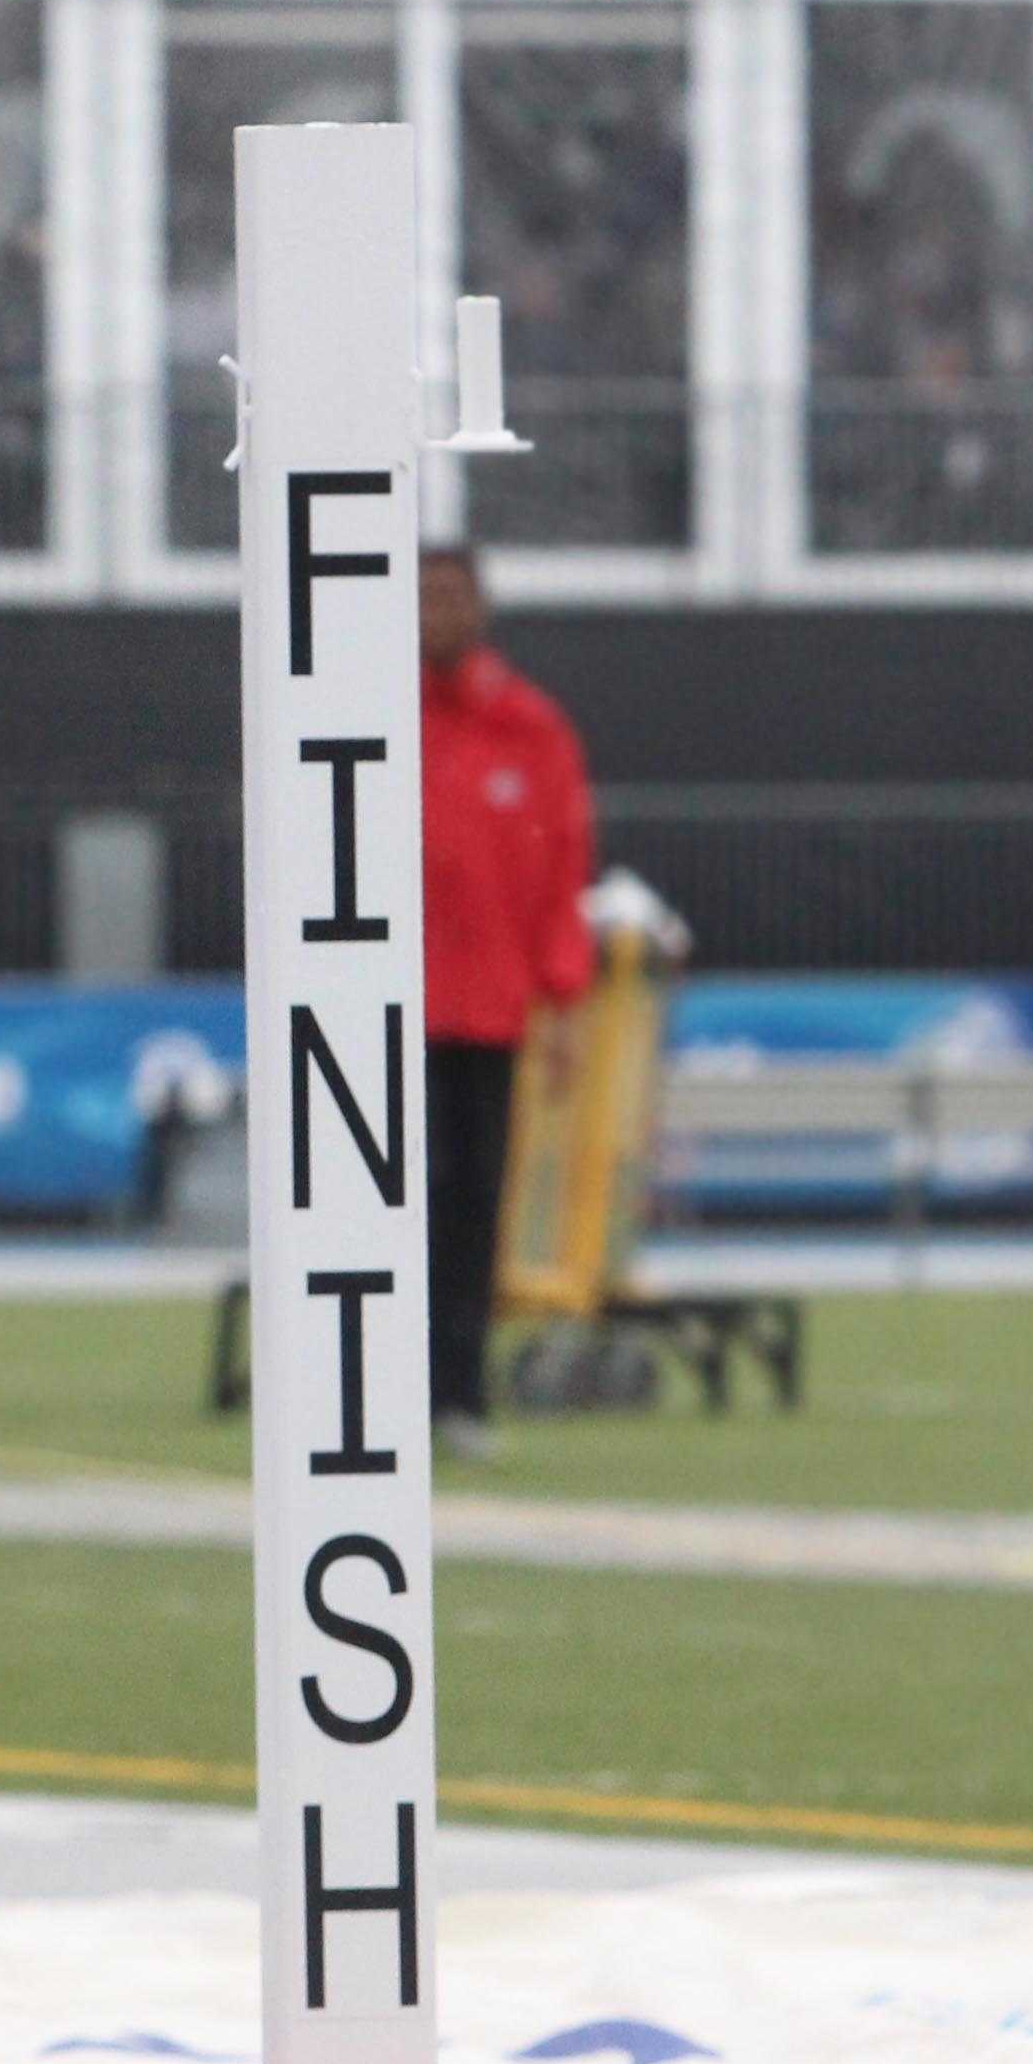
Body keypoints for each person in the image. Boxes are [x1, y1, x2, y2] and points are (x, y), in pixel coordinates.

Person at [412, 539, 595, 1463]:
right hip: (389, 1014)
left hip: (487, 1012)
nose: (439, 610)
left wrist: (562, 1003)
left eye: (453, 594)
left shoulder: (530, 729)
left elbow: (560, 872)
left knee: (474, 1203)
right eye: (424, 594)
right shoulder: (373, 717)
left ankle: (459, 1390)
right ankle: (382, 1390)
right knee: (393, 1202)